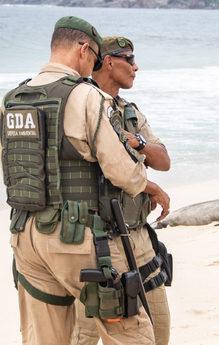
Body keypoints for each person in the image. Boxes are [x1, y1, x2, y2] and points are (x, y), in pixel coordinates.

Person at [0, 17, 155, 345]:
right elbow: (124, 172)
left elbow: (9, 171)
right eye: (95, 58)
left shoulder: (13, 99)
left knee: (46, 339)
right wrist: (141, 175)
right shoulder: (86, 96)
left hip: (25, 239)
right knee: (131, 335)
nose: (93, 66)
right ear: (84, 50)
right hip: (77, 237)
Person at [71, 36, 172, 345]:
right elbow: (101, 169)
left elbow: (164, 159)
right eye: (129, 59)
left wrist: (136, 141)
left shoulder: (129, 113)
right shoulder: (79, 105)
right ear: (109, 61)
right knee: (84, 336)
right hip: (96, 239)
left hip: (137, 236)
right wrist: (149, 185)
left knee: (158, 331)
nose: (135, 66)